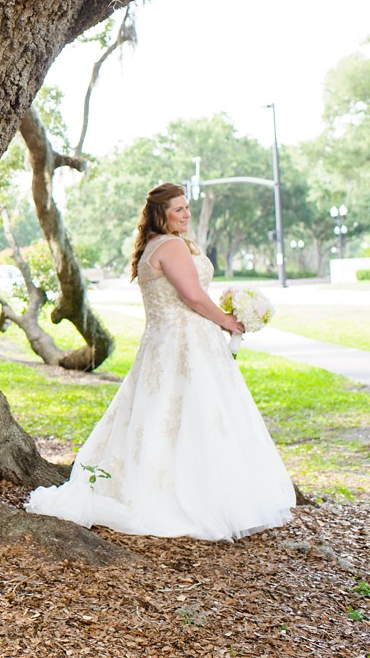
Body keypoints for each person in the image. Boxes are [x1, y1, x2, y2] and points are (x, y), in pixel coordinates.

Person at [24, 183, 295, 541]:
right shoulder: (170, 246)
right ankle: (187, 496)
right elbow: (195, 297)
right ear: (160, 213)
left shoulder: (156, 245)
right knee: (189, 413)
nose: (186, 214)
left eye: (187, 208)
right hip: (184, 343)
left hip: (168, 343)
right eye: (178, 209)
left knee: (164, 414)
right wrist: (228, 320)